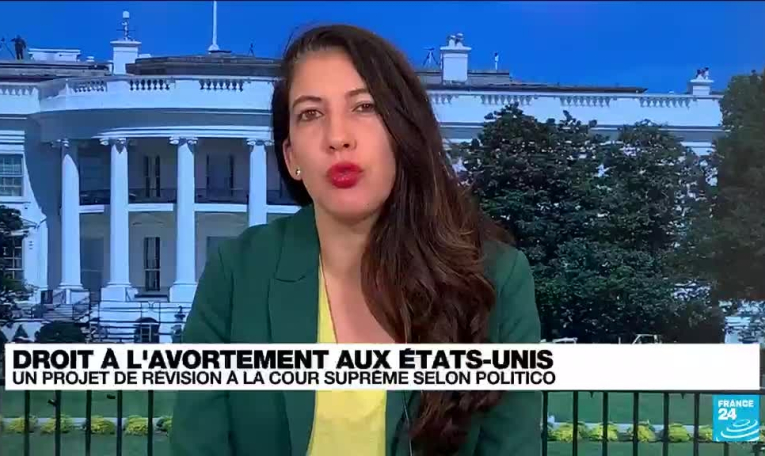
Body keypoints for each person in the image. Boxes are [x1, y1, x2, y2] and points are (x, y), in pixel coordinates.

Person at [170, 24, 541, 456]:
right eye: (311, 114)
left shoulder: (496, 277)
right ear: (291, 158)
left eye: (364, 107)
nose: (337, 138)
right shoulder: (238, 272)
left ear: (402, 134)